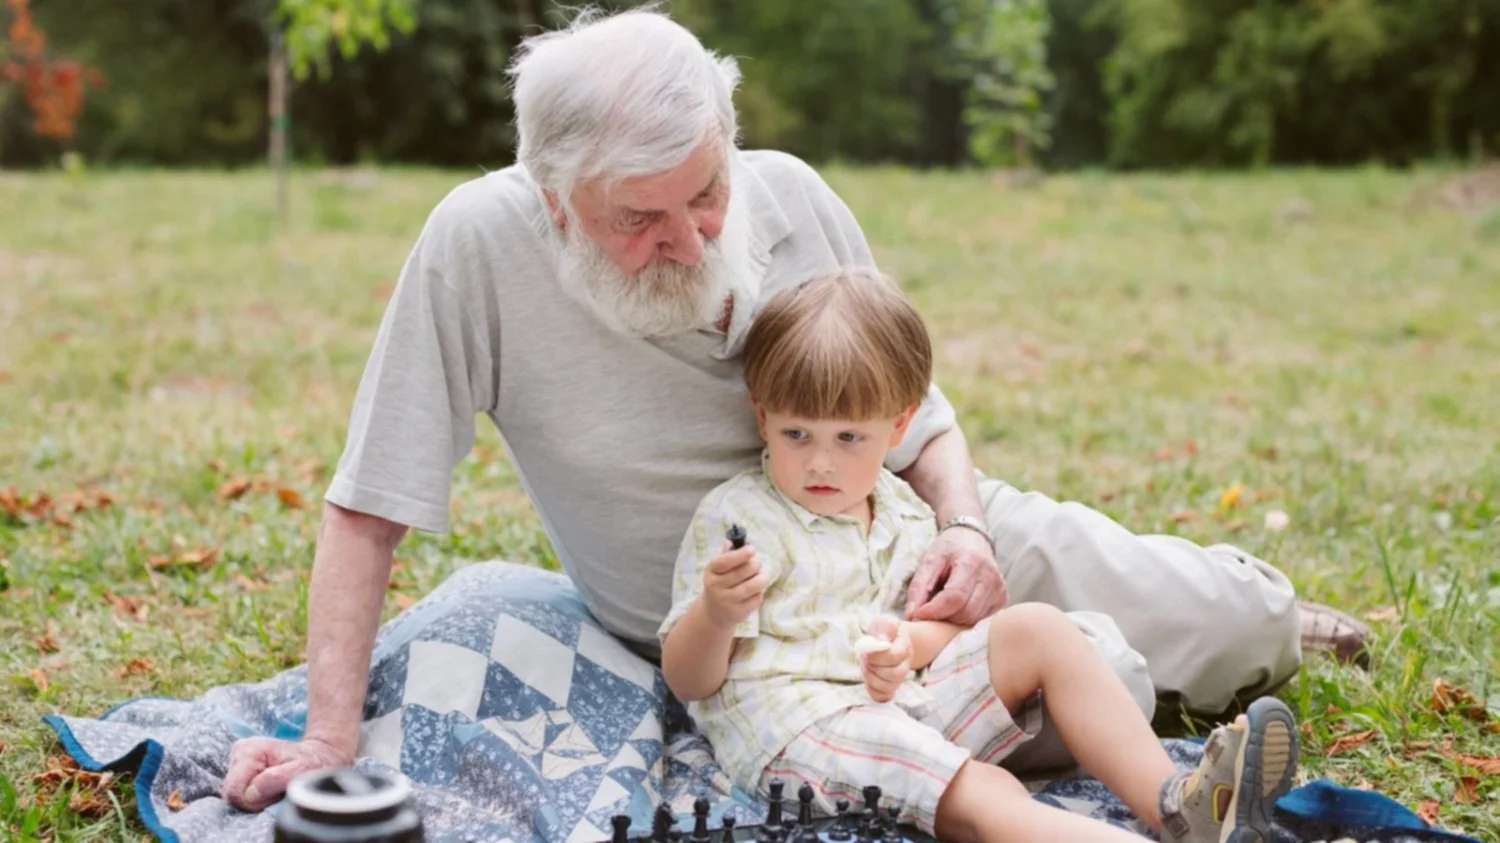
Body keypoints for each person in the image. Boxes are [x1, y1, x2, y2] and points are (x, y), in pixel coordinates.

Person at [221, 5, 1365, 813]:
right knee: (1097, 692)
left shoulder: (792, 195)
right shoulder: (476, 246)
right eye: (641, 218)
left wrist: (965, 531)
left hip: (908, 542)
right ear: (554, 198)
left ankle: (1272, 613)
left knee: (1234, 629)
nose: (693, 235)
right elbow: (368, 507)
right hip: (766, 644)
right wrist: (328, 738)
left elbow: (925, 424)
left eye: (706, 191)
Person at [658, 267, 1302, 843]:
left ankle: (1177, 804)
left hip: (901, 699)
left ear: (900, 426)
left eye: (849, 436)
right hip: (798, 728)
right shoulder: (740, 518)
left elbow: (945, 631)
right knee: (984, 792)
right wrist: (715, 613)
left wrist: (907, 645)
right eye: (796, 433)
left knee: (1036, 626)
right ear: (761, 415)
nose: (820, 461)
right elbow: (689, 680)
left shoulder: (907, 510)